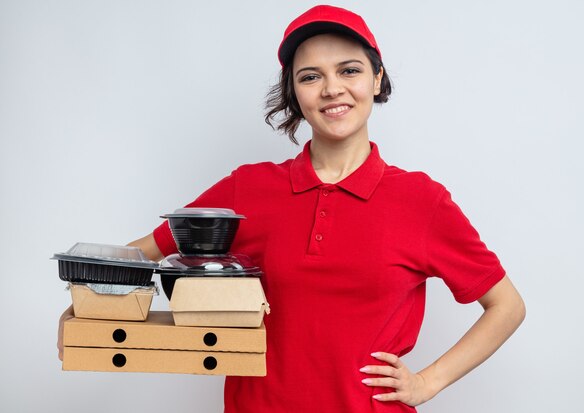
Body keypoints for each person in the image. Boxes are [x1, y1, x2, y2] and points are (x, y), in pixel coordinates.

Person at [58, 5, 525, 412]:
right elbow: (144, 253)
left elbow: (506, 306)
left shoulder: (422, 202)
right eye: (310, 77)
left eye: (349, 70)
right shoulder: (249, 189)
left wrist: (428, 382)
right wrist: (83, 293)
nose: (331, 89)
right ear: (295, 93)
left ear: (376, 77)